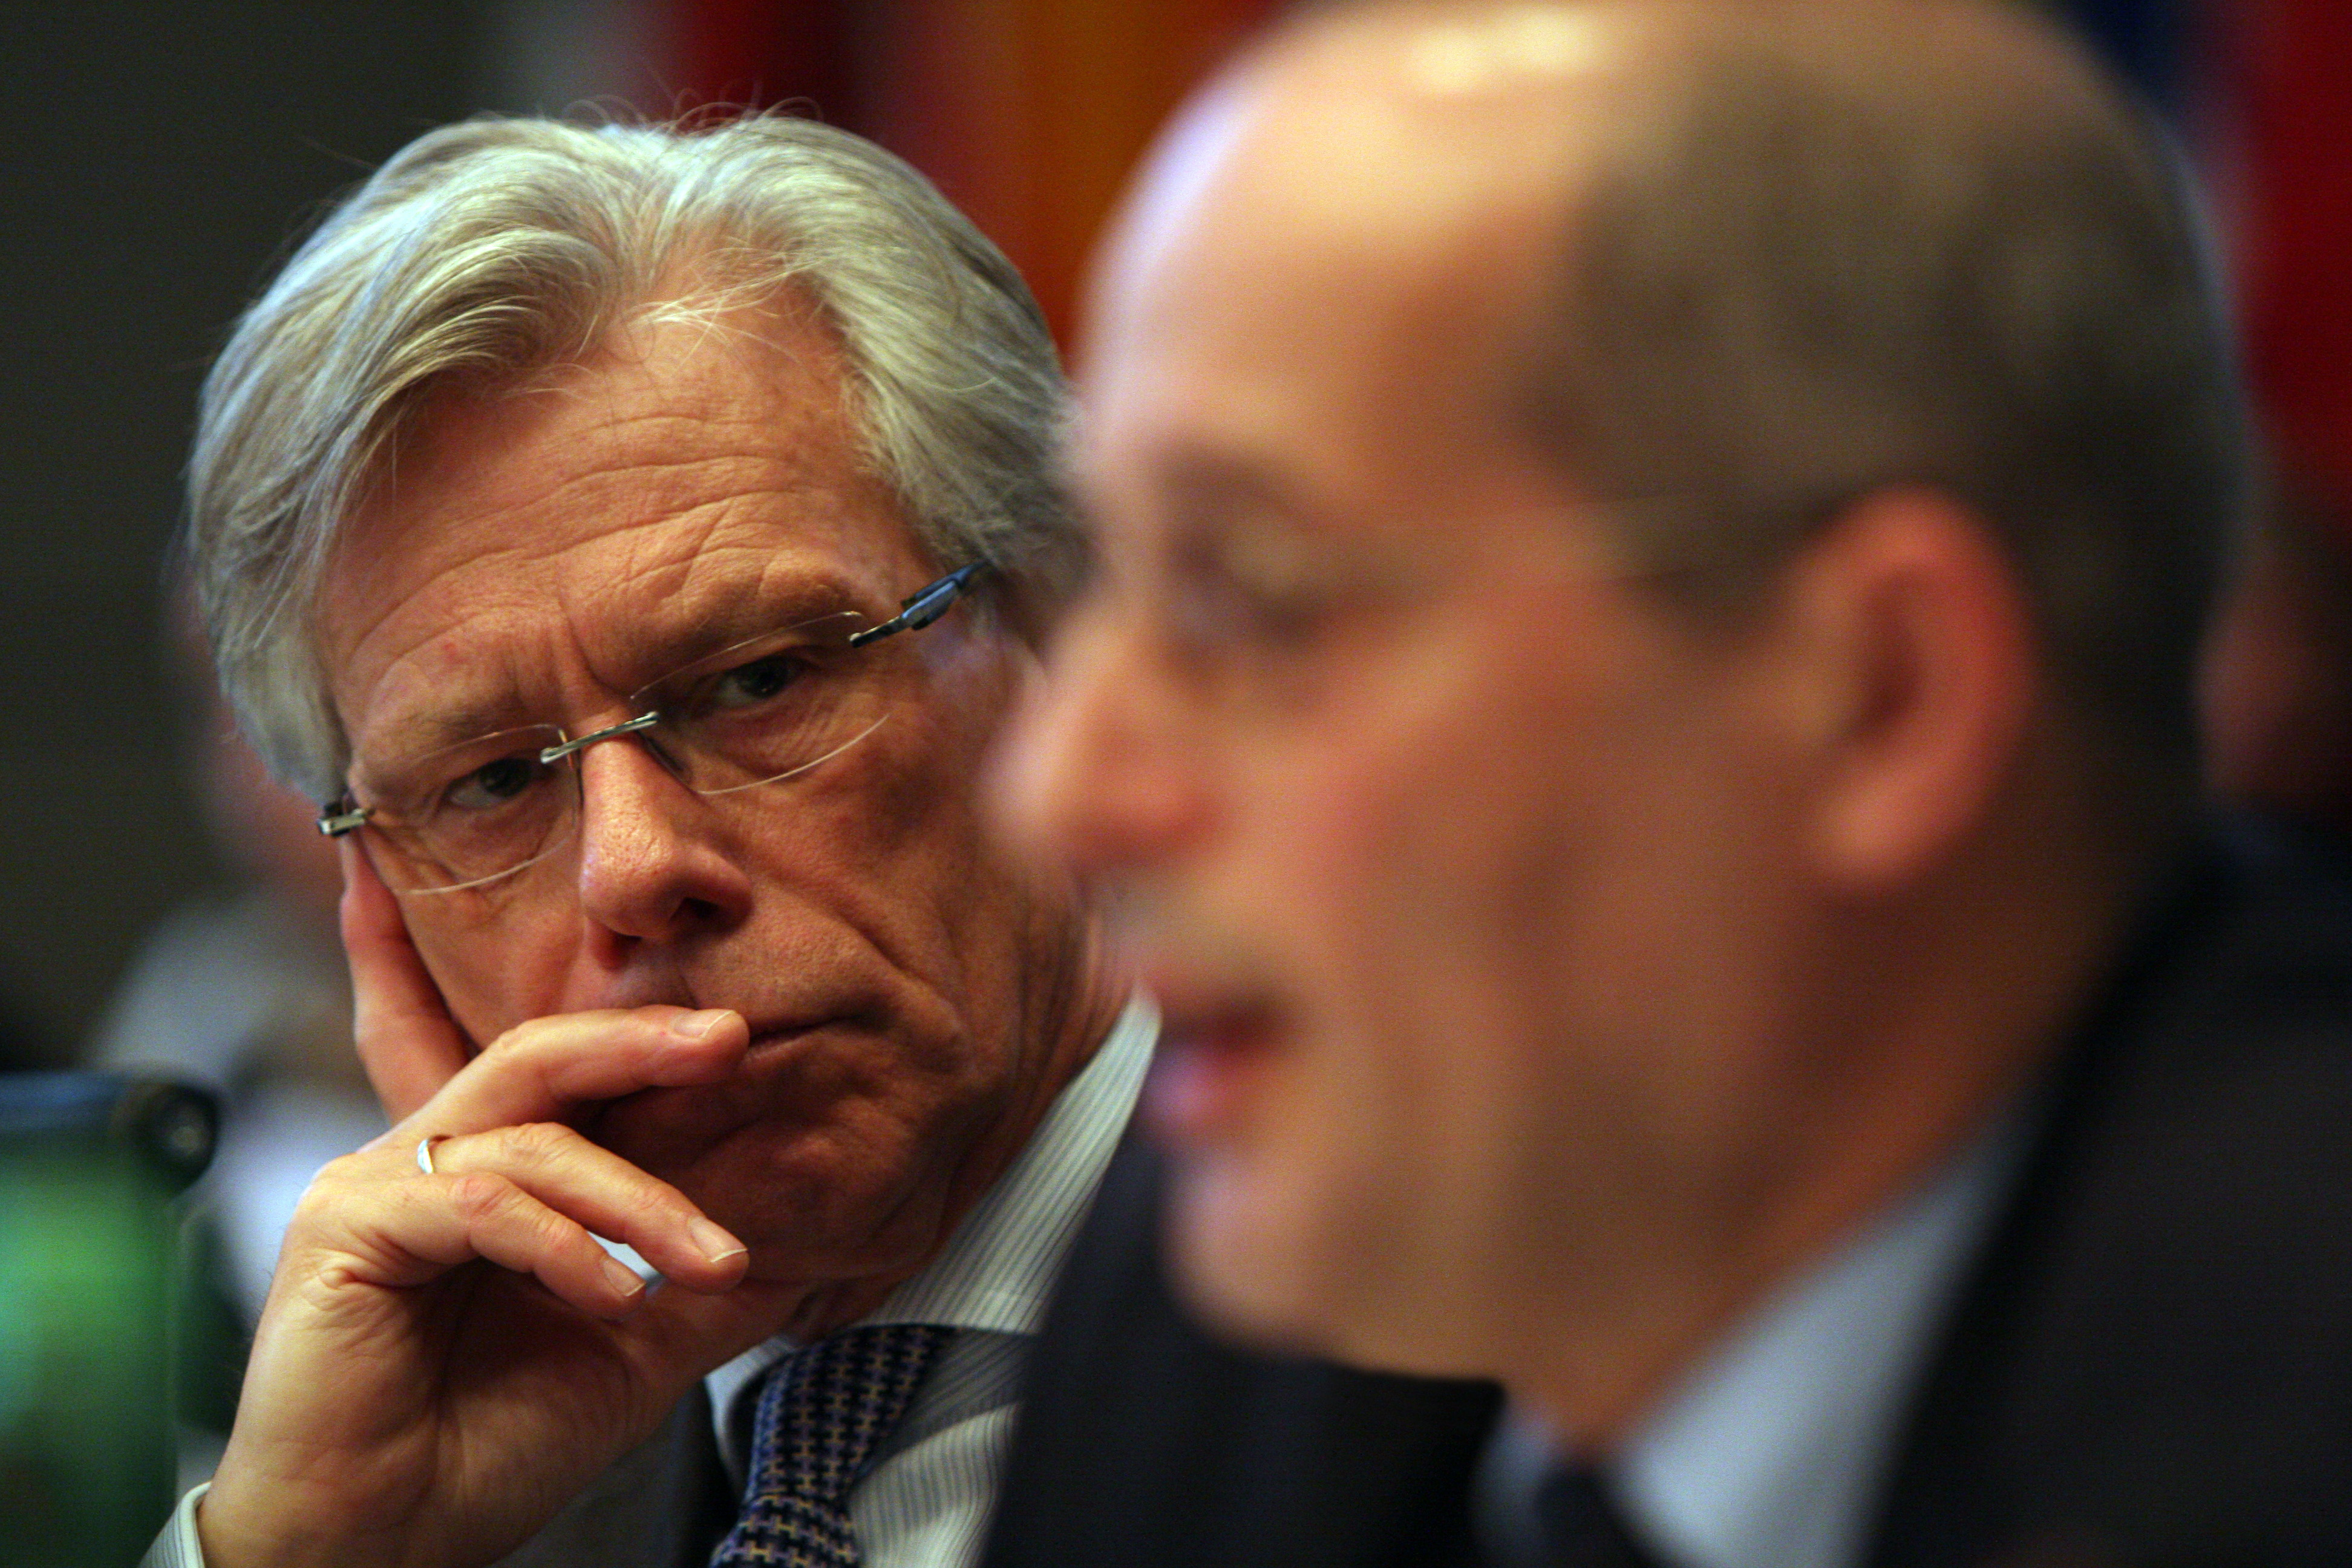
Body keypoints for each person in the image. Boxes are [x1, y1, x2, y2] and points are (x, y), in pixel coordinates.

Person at [1001, 2, 2352, 1564]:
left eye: (1248, 602)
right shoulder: (1218, 1332)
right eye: (1106, 585)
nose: (1062, 794)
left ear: (1882, 697)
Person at [148, 113, 1497, 1568]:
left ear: (1061, 627)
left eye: (757, 682)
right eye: (491, 784)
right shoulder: (439, 1492)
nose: (631, 870)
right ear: (379, 904)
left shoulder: (1482, 1301)